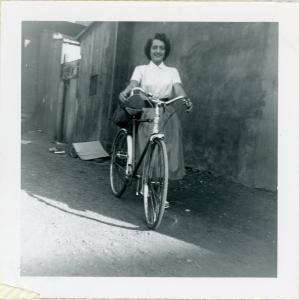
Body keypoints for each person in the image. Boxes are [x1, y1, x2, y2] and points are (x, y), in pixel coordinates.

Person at [119, 33, 191, 205]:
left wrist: (185, 98)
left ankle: (159, 187)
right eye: (155, 47)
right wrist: (127, 91)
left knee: (166, 151)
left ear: (165, 51)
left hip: (166, 112)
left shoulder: (172, 71)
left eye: (161, 48)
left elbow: (178, 88)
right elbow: (134, 83)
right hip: (147, 111)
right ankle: (146, 182)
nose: (158, 51)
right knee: (147, 149)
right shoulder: (141, 69)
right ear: (149, 50)